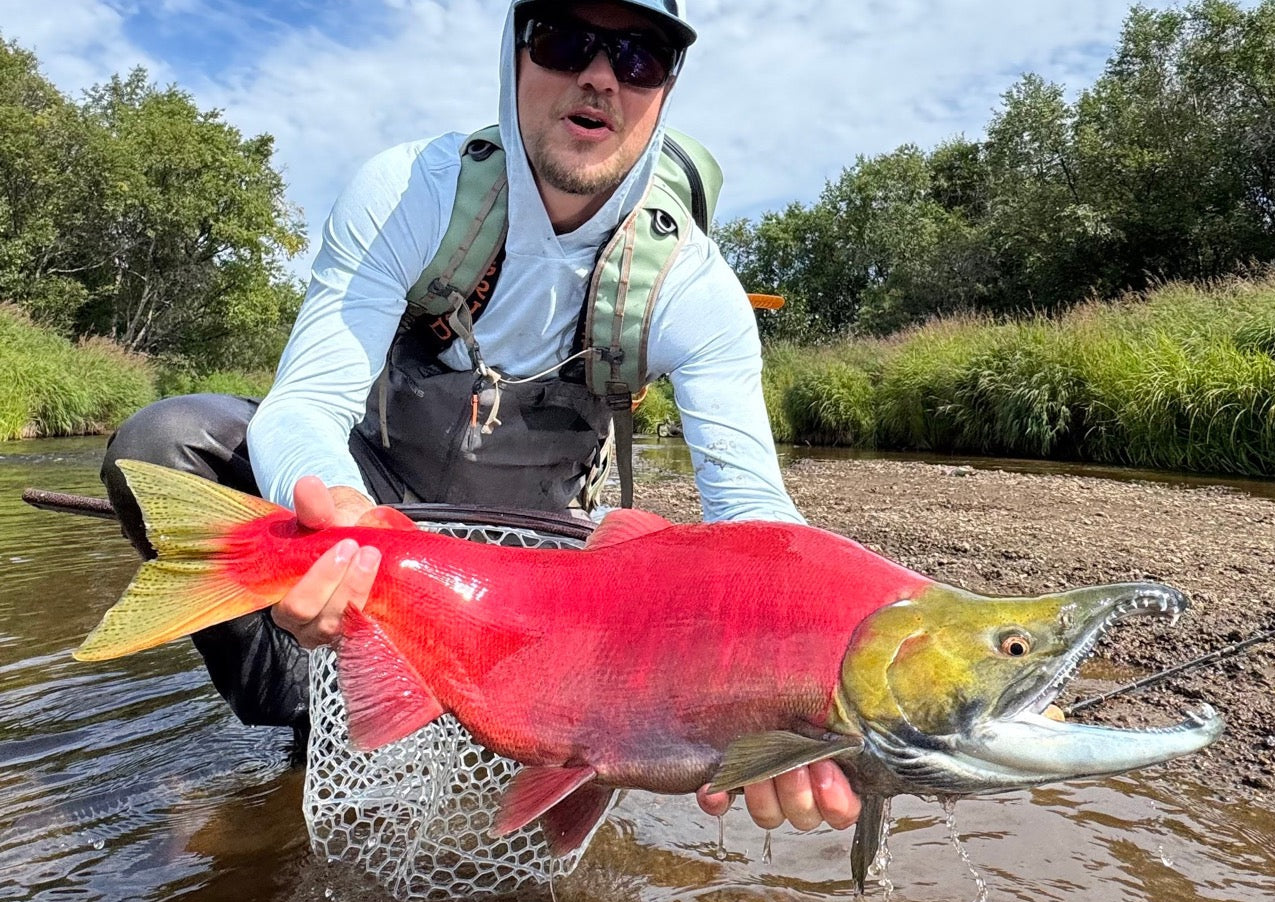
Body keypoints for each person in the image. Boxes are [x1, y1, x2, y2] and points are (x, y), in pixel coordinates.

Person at [102, 0, 860, 836]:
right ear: (515, 51)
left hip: (542, 566)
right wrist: (348, 525)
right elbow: (308, 404)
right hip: (380, 505)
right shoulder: (410, 193)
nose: (600, 75)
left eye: (641, 56)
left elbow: (753, 520)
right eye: (566, 39)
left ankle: (533, 731)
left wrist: (803, 677)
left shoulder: (694, 286)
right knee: (163, 441)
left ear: (666, 85)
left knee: (564, 764)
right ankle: (312, 715)